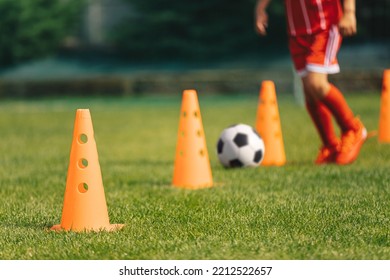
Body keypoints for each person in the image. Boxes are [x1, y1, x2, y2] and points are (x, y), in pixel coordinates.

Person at [255, 0, 367, 165]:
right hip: (297, 32)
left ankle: (353, 128)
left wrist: (349, 12)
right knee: (309, 91)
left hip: (324, 27)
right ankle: (330, 145)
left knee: (316, 84)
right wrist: (260, 9)